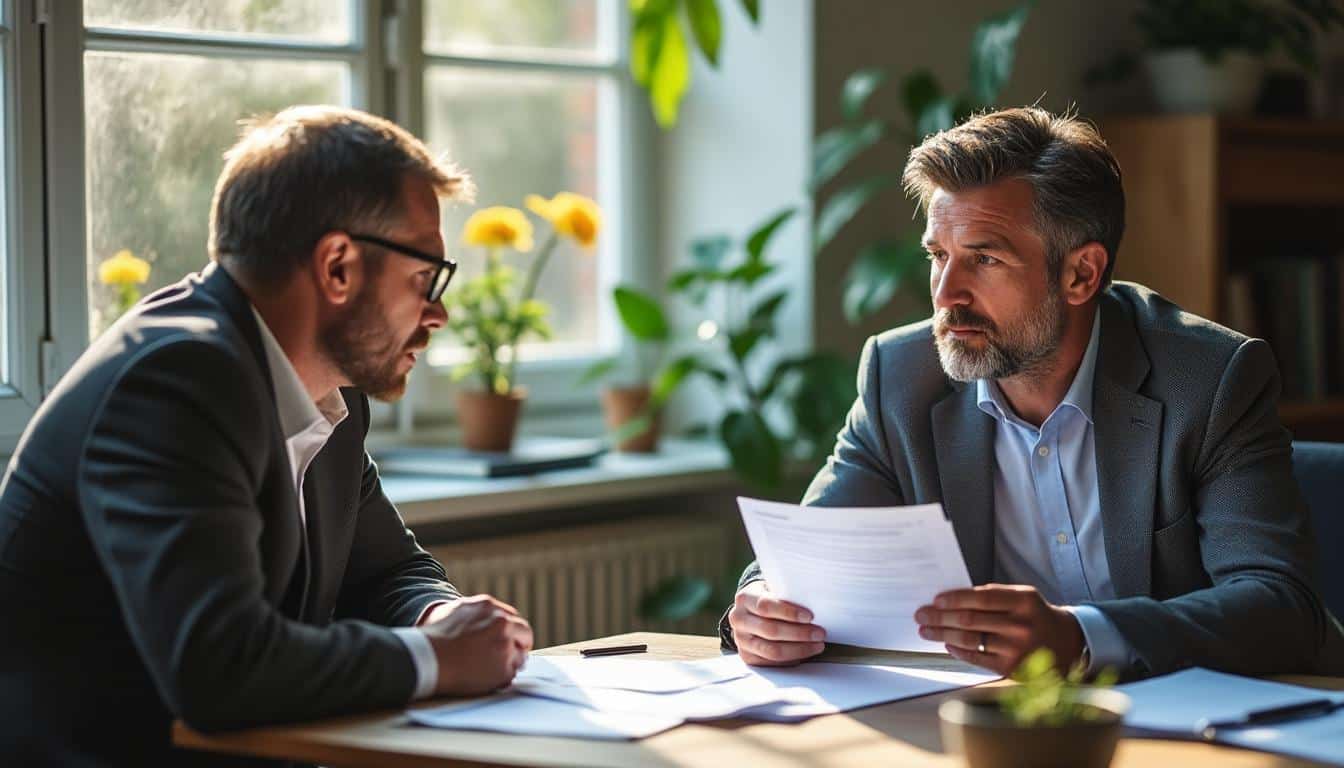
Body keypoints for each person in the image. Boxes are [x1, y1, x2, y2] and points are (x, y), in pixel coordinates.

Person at [722, 106, 1343, 680]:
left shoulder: (1209, 379)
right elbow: (808, 556)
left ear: (1081, 273)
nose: (945, 294)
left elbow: (1280, 606)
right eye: (937, 255)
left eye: (984, 259)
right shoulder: (900, 375)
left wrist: (1082, 637)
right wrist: (761, 606)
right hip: (987, 725)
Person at [0, 106, 534, 766]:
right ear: (337, 266)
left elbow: (391, 571)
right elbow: (218, 666)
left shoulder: (327, 398)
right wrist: (436, 658)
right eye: (425, 277)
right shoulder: (176, 382)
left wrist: (437, 618)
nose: (439, 313)